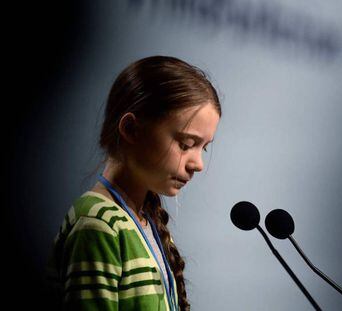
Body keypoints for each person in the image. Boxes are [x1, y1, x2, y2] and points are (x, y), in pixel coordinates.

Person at [46, 55, 222, 311]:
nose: (198, 164)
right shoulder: (99, 225)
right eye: (186, 145)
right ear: (130, 129)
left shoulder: (143, 220)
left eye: (203, 148)